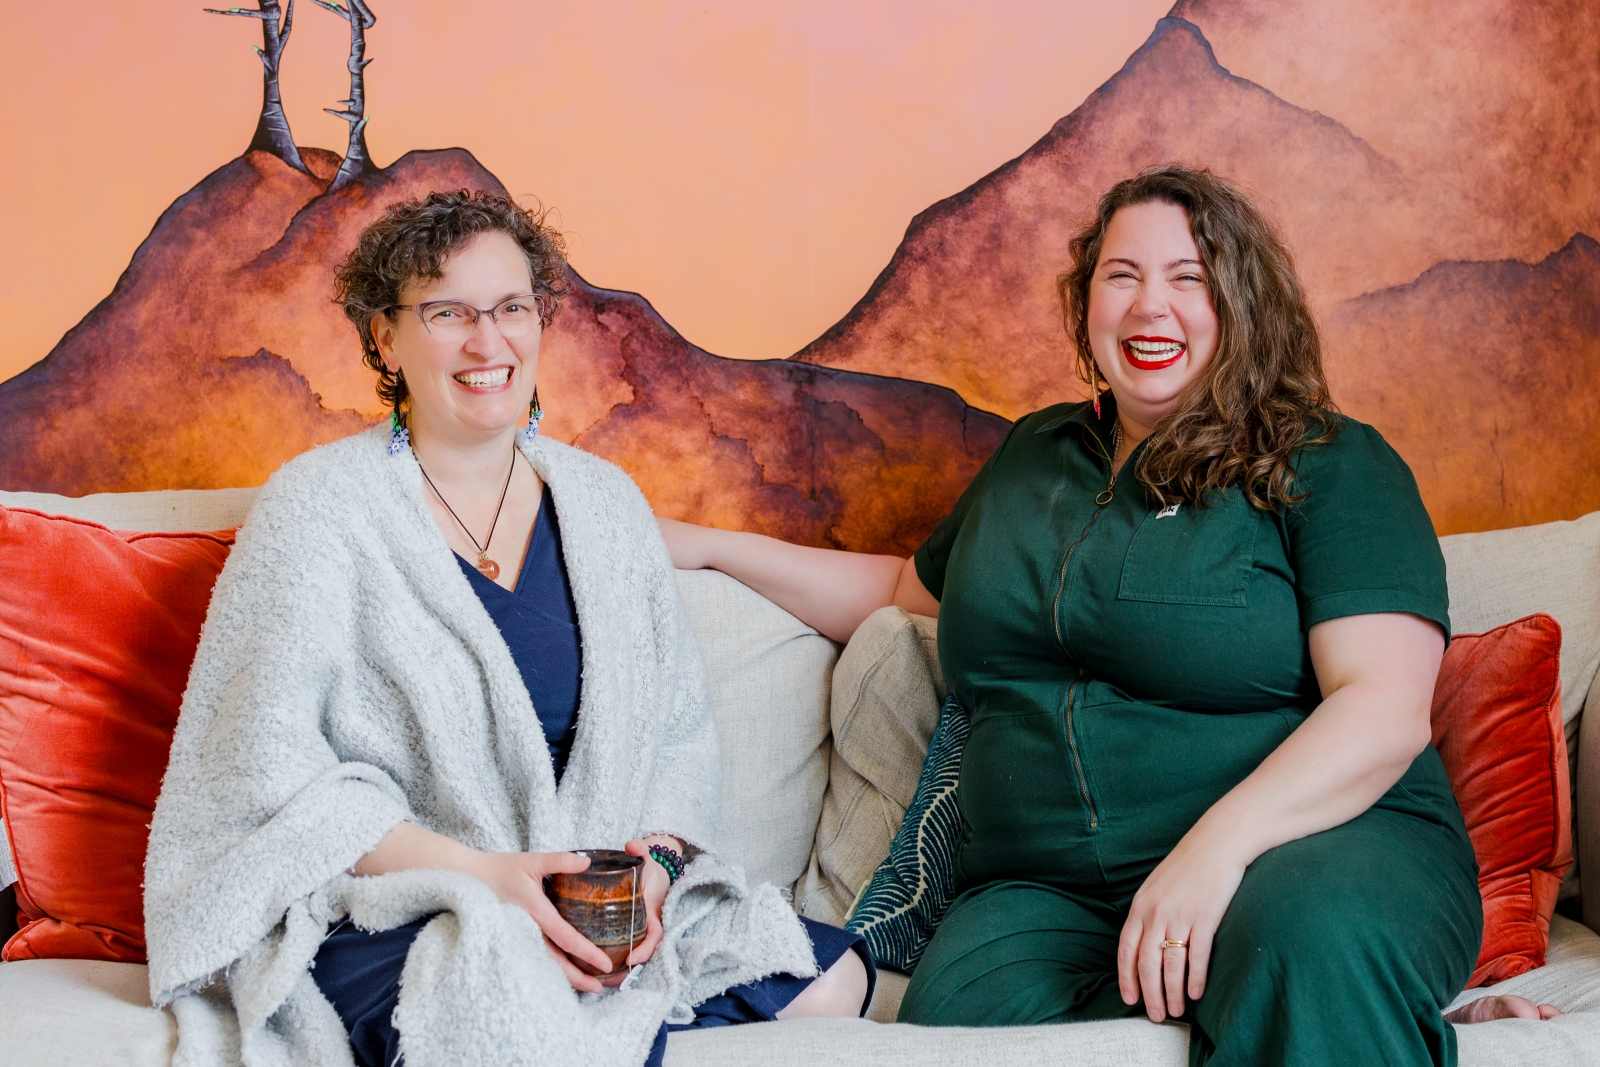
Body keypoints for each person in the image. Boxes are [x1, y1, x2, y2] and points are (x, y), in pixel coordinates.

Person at [659, 166, 1557, 1066]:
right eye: (1121, 275)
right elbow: (906, 591)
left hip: (1315, 847)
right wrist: (702, 547)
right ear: (1087, 302)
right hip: (1049, 892)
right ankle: (1395, 1023)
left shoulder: (1328, 460)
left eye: (1188, 277)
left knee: (1302, 944)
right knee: (962, 1007)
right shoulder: (1032, 455)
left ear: (1242, 302)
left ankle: (1360, 998)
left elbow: (1382, 707)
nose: (1148, 305)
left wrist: (1213, 853)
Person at [143, 190, 869, 1067]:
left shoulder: (606, 503)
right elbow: (266, 771)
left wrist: (656, 874)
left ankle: (591, 1008)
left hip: (590, 902)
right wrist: (490, 879)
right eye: (448, 313)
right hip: (409, 901)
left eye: (512, 308)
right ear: (385, 337)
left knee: (834, 979)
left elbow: (679, 739)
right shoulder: (317, 508)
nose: (488, 343)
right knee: (506, 996)